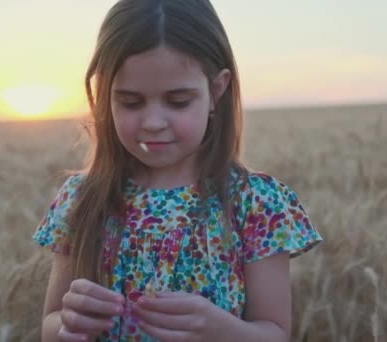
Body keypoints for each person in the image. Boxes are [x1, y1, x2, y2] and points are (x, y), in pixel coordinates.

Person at [32, 0, 323, 341]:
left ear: (217, 91)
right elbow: (50, 325)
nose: (153, 123)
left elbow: (275, 334)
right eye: (130, 102)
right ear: (103, 95)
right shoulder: (82, 201)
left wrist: (220, 330)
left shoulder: (257, 204)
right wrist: (68, 325)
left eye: (178, 101)